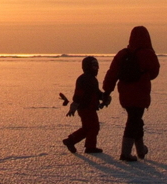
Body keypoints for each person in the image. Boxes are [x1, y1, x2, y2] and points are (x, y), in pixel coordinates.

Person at [102, 26, 160, 162]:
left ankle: (141, 150)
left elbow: (112, 74)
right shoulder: (147, 53)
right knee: (134, 121)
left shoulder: (122, 54)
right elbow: (154, 73)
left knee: (136, 120)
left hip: (125, 94)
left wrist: (107, 90)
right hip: (141, 94)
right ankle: (125, 153)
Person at [61, 56, 107, 154]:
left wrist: (104, 96)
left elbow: (96, 92)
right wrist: (74, 106)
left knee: (88, 127)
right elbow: (79, 94)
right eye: (94, 66)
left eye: (97, 66)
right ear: (87, 67)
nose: (97, 68)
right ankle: (89, 147)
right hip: (86, 108)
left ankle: (71, 141)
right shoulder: (84, 79)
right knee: (93, 127)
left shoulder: (92, 79)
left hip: (90, 107)